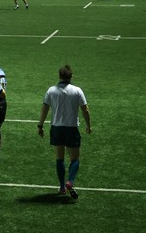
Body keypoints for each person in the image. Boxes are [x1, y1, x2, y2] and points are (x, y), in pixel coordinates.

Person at [37, 65, 92, 199]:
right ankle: (70, 181)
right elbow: (85, 109)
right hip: (71, 128)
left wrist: (40, 125)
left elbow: (44, 109)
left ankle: (62, 187)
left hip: (56, 128)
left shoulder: (51, 90)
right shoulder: (77, 90)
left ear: (59, 76)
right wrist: (88, 125)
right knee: (75, 159)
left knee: (59, 158)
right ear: (71, 76)